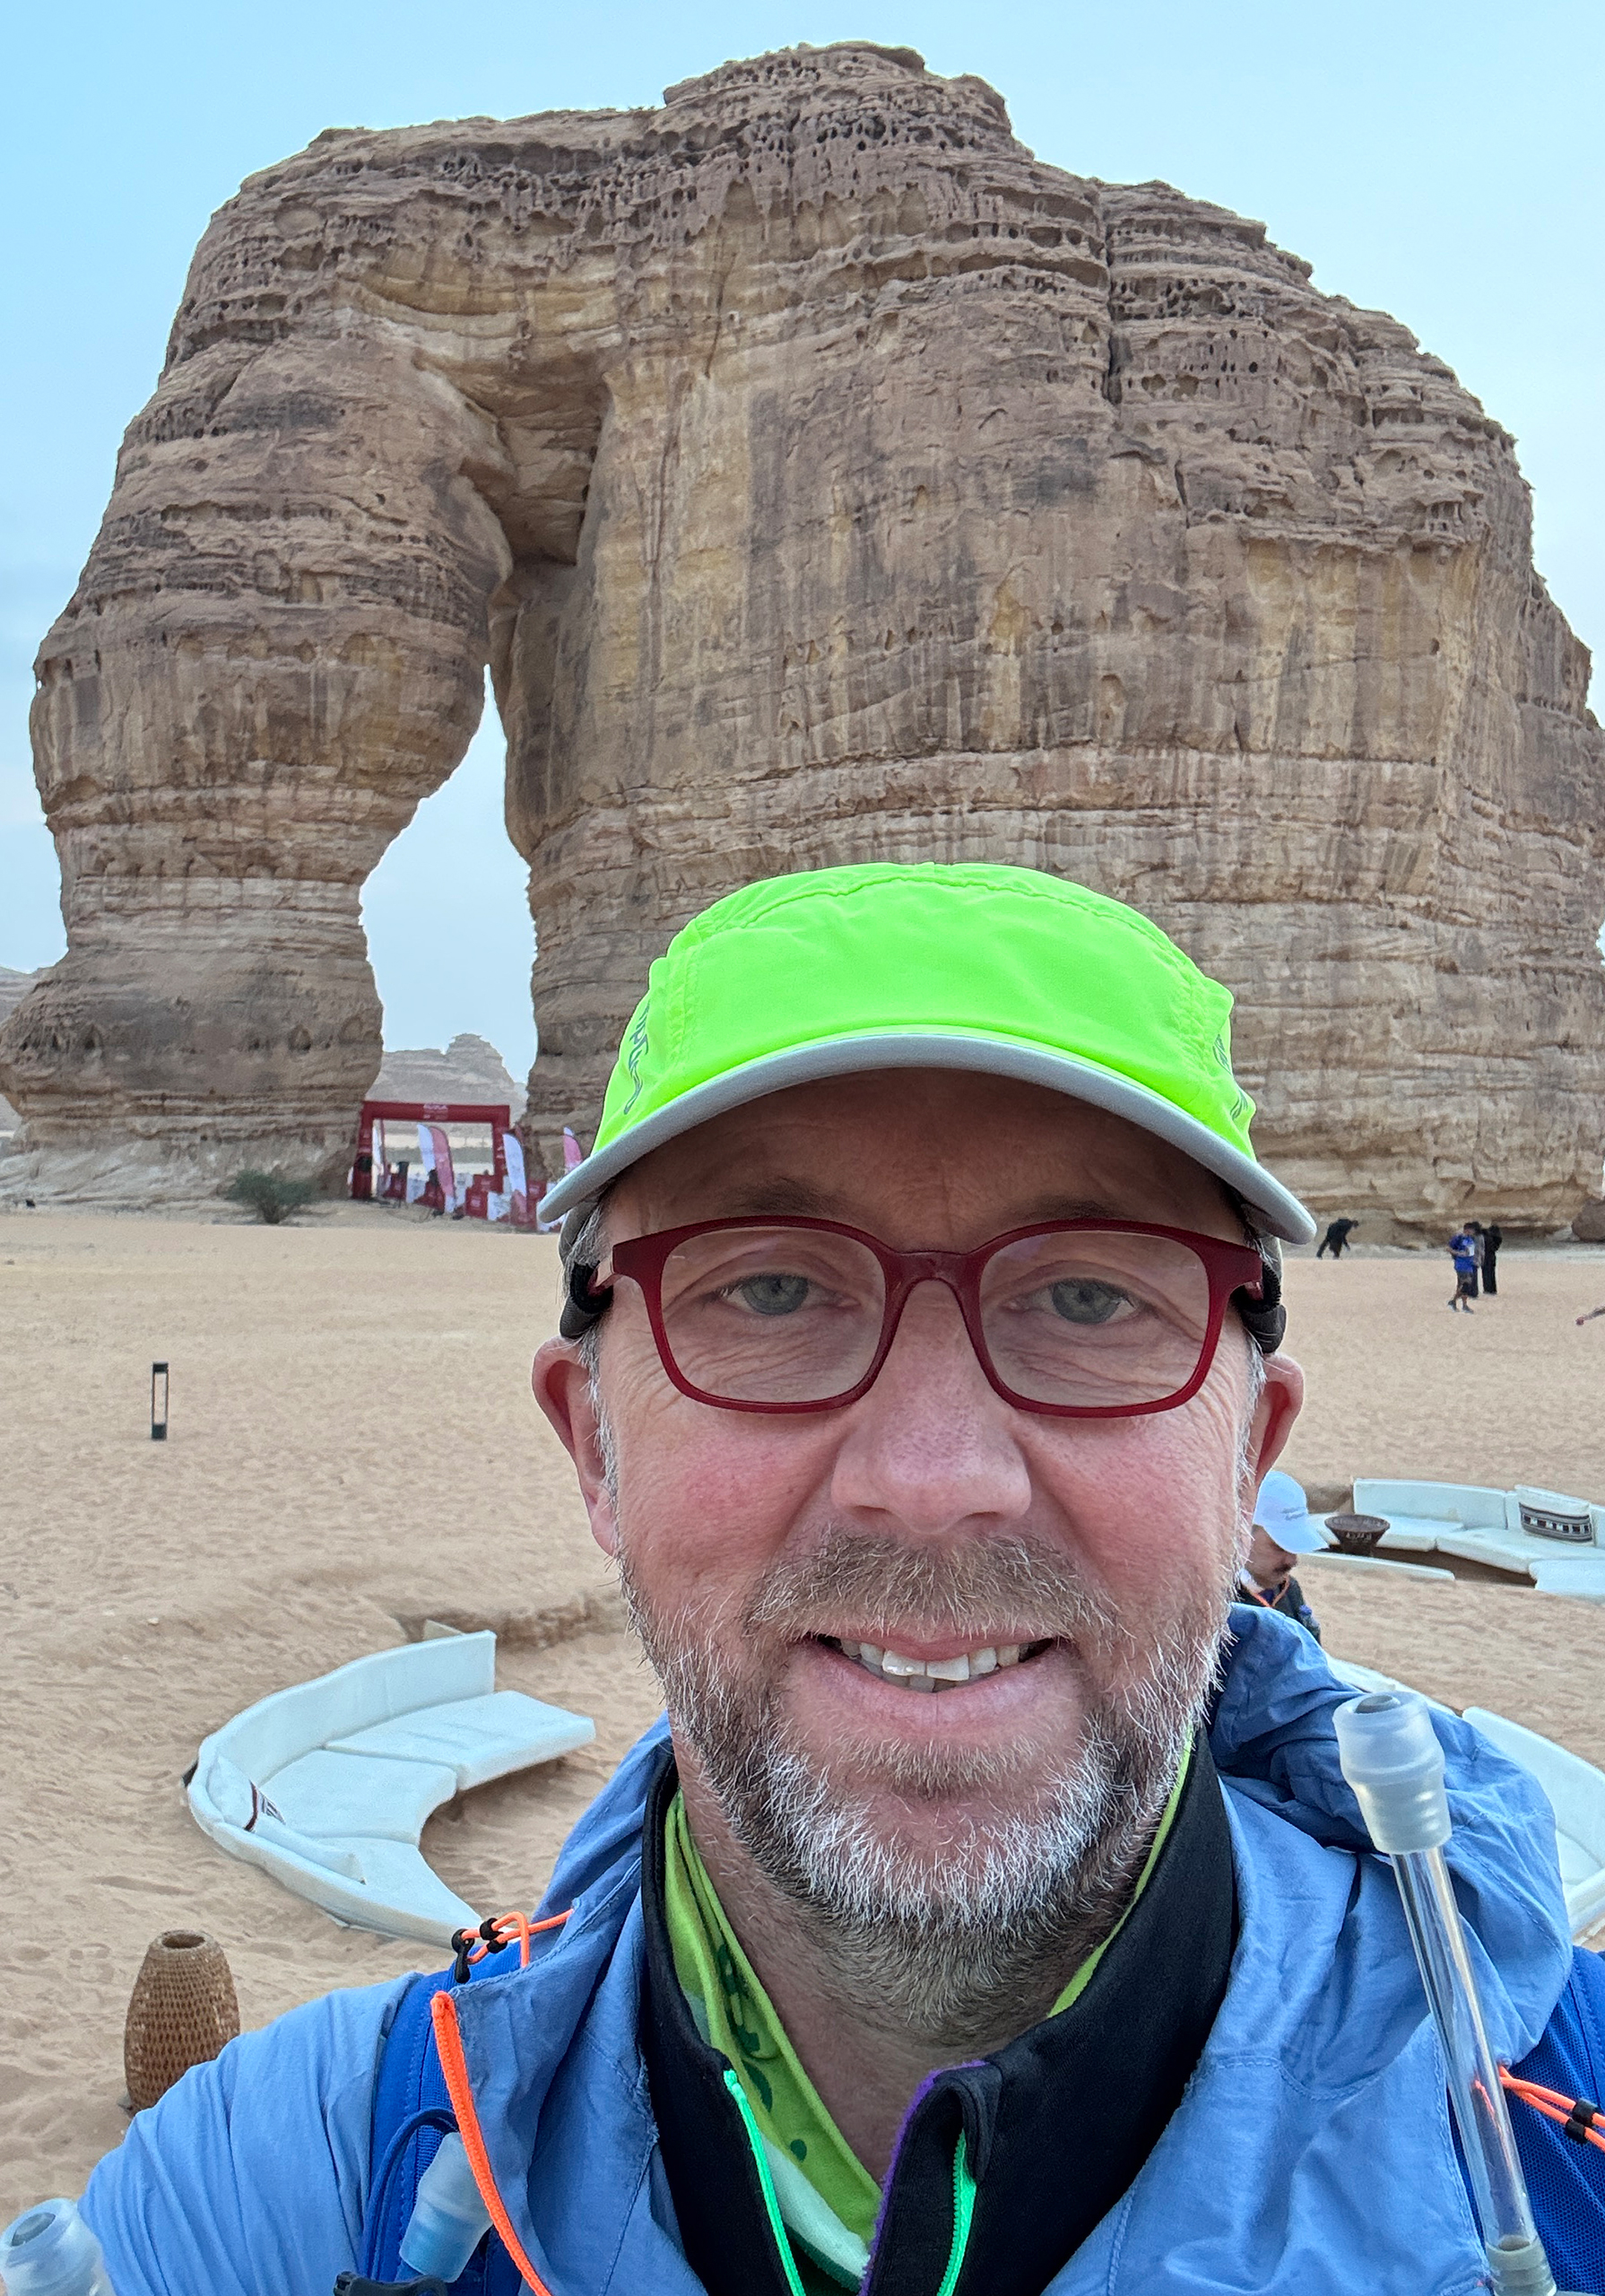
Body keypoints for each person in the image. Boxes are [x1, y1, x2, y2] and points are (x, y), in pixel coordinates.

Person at [70, 865, 1605, 2293]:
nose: (932, 1480)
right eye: (770, 1288)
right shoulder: (301, 2185)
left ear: (1245, 1456)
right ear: (594, 1445)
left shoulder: (1565, 2135)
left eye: (1087, 1297)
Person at [1238, 1466, 1325, 1640]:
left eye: (1294, 1547)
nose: (1292, 1561)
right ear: (1242, 1533)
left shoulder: (1289, 1590)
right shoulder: (1217, 1601)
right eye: (1279, 1546)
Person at [1447, 1226, 1479, 1310]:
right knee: (1466, 1284)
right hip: (1462, 1265)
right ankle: (1459, 1303)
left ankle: (1457, 1303)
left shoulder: (1470, 1239)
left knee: (1463, 1285)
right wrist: (1457, 1253)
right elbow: (1449, 1248)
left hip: (1469, 1265)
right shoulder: (1460, 1238)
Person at [1483, 1221, 1504, 1296]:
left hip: (1486, 1256)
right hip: (1492, 1256)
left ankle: (1487, 1289)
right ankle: (1492, 1289)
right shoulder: (1497, 1238)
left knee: (1486, 1273)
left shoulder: (1488, 1238)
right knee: (1491, 1273)